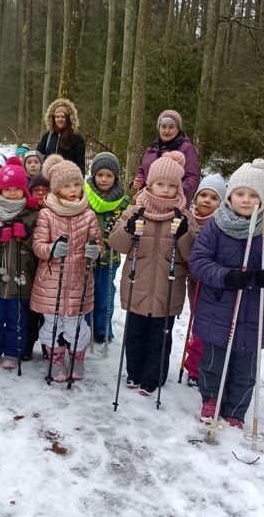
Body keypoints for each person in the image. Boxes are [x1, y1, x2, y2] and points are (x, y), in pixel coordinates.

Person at [189, 159, 264, 428]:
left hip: (252, 311)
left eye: (253, 195)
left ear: (262, 199)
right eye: (240, 194)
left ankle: (236, 408)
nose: (246, 200)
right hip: (216, 308)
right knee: (213, 360)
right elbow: (199, 262)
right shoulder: (216, 225)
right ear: (230, 196)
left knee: (245, 366)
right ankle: (210, 398)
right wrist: (225, 276)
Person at [109, 151, 195, 396]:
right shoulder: (136, 210)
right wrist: (128, 230)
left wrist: (184, 234)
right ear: (150, 184)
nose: (165, 190)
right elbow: (117, 244)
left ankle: (152, 378)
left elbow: (191, 254)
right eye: (160, 184)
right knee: (135, 336)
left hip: (167, 290)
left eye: (171, 185)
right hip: (138, 286)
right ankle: (134, 373)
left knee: (160, 338)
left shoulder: (184, 215)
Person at [30, 155, 101, 381]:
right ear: (57, 189)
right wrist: (51, 249)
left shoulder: (88, 214)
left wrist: (94, 250)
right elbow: (38, 245)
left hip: (79, 278)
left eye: (77, 184)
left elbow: (97, 242)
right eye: (67, 185)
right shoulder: (46, 213)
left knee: (76, 324)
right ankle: (56, 358)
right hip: (51, 281)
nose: (73, 189)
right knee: (52, 323)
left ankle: (78, 356)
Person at [0, 158, 39, 369]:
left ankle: (13, 351)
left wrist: (28, 235)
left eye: (17, 189)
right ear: (0, 190)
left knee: (18, 319)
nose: (13, 193)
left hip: (21, 279)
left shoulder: (33, 215)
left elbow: (39, 245)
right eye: (8, 189)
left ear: (25, 191)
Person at [182, 173, 226, 386]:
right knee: (197, 321)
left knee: (209, 324)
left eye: (214, 197)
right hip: (193, 280)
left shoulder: (222, 223)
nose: (207, 200)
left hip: (213, 282)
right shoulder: (188, 218)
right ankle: (193, 366)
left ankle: (208, 366)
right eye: (203, 195)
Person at [83, 152, 130, 344]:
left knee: (105, 295)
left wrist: (121, 228)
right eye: (100, 174)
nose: (104, 179)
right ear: (94, 175)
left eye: (109, 175)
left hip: (110, 257)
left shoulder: (124, 202)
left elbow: (129, 224)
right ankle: (85, 328)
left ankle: (102, 329)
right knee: (86, 294)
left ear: (115, 177)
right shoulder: (84, 196)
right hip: (87, 255)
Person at [133, 109, 200, 207]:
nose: (167, 131)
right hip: (148, 202)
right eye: (163, 127)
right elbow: (142, 170)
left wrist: (177, 194)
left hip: (172, 205)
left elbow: (192, 178)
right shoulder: (152, 148)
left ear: (178, 128)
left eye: (171, 127)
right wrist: (139, 179)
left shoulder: (186, 148)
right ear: (159, 128)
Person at [22, 172, 51, 361]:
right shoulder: (26, 212)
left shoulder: (55, 211)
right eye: (36, 190)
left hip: (49, 268)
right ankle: (27, 344)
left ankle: (49, 345)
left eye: (44, 190)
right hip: (29, 267)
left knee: (47, 312)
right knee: (30, 312)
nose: (40, 193)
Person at [35, 99, 86, 174]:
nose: (60, 119)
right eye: (57, 116)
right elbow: (37, 157)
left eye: (63, 116)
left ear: (68, 118)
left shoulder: (77, 138)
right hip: (48, 178)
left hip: (67, 179)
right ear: (53, 118)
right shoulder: (47, 136)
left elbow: (80, 164)